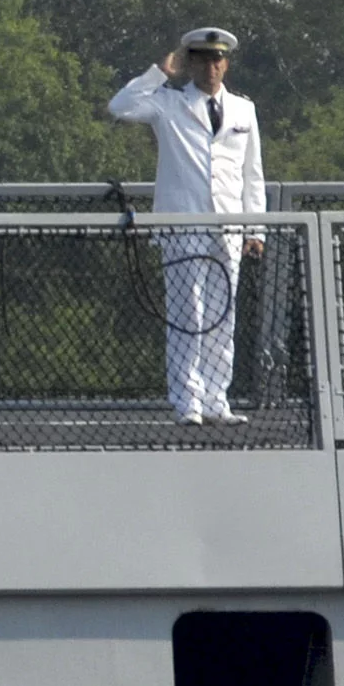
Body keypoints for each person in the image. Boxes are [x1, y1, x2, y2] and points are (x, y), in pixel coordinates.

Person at [109, 26, 267, 427]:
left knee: (222, 316)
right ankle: (187, 401)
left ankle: (217, 398)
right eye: (202, 59)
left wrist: (256, 229)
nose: (211, 67)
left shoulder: (243, 110)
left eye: (217, 59)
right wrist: (158, 73)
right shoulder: (169, 103)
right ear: (191, 63)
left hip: (228, 228)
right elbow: (120, 106)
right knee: (188, 316)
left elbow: (252, 174)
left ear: (226, 63)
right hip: (184, 226)